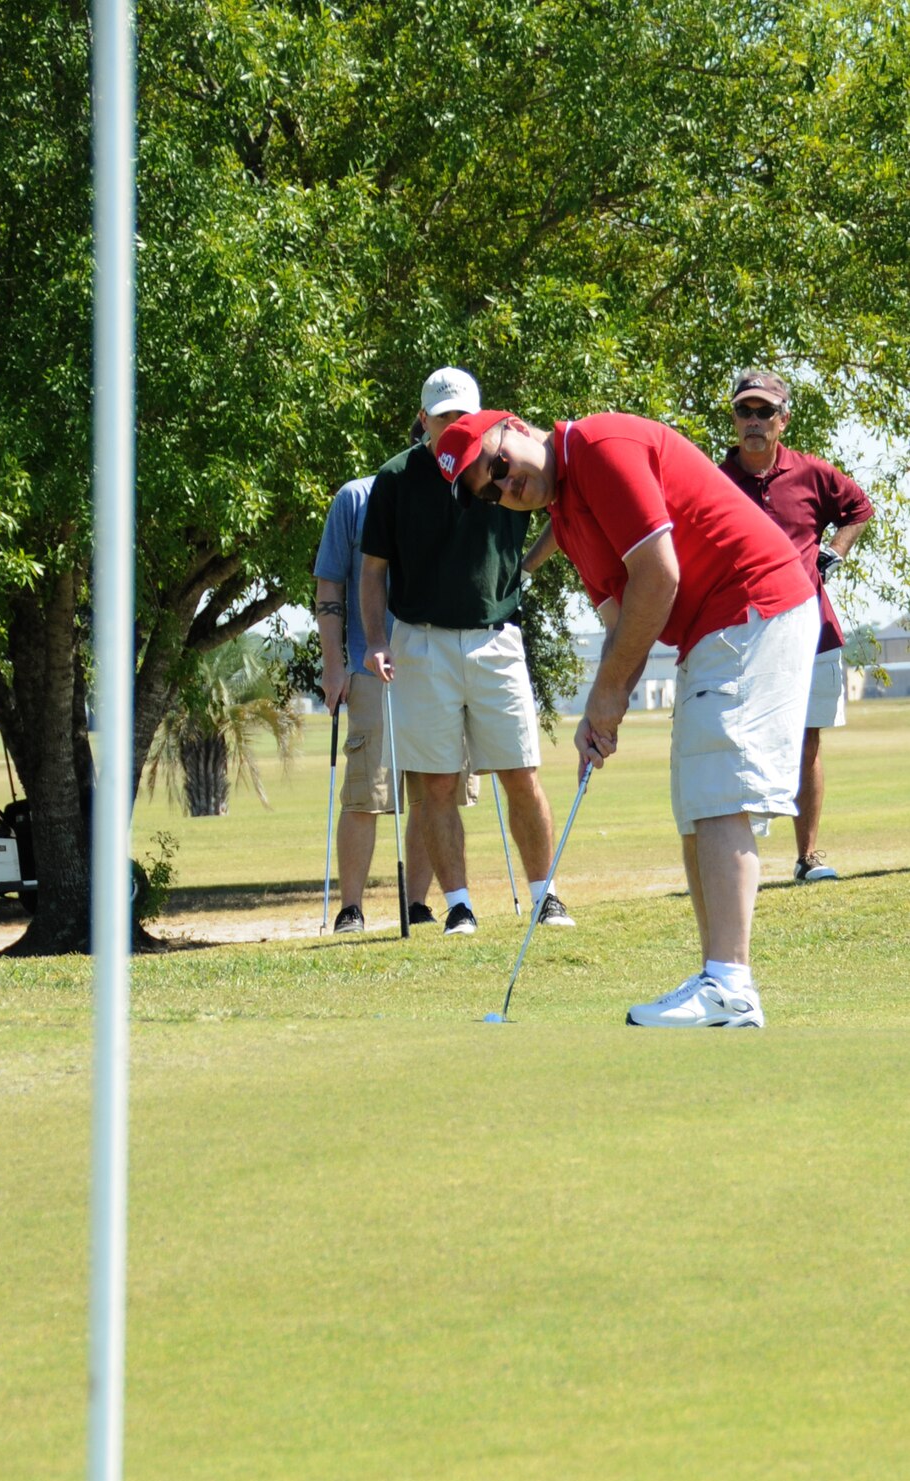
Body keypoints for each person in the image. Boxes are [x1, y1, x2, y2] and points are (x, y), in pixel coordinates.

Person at [435, 407, 819, 1027]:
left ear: (516, 429)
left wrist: (608, 698)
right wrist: (599, 712)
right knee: (698, 804)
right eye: (492, 492)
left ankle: (730, 984)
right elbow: (622, 625)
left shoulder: (598, 445)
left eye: (499, 467)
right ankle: (719, 977)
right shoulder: (567, 517)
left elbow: (659, 576)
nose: (506, 488)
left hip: (753, 604)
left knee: (720, 796)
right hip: (714, 628)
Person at [359, 368, 573, 936]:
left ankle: (544, 895)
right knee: (435, 784)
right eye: (444, 416)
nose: (455, 425)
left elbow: (564, 514)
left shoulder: (507, 465)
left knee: (520, 773)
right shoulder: (396, 478)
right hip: (420, 641)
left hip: (495, 640)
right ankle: (458, 904)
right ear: (424, 419)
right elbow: (372, 569)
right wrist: (376, 640)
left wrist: (525, 568)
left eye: (464, 415)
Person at [313, 415, 479, 936]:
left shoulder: (465, 495)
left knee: (436, 789)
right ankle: (351, 910)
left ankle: (418, 904)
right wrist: (334, 664)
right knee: (369, 791)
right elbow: (329, 586)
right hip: (371, 665)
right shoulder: (357, 498)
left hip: (438, 665)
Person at [718, 369, 874, 883]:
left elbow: (859, 507)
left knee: (807, 741)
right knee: (744, 740)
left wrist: (835, 549)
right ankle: (741, 859)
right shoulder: (717, 480)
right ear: (735, 419)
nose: (755, 421)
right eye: (746, 411)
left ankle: (807, 858)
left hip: (814, 630)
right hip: (746, 634)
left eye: (766, 412)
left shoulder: (812, 473)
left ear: (784, 419)